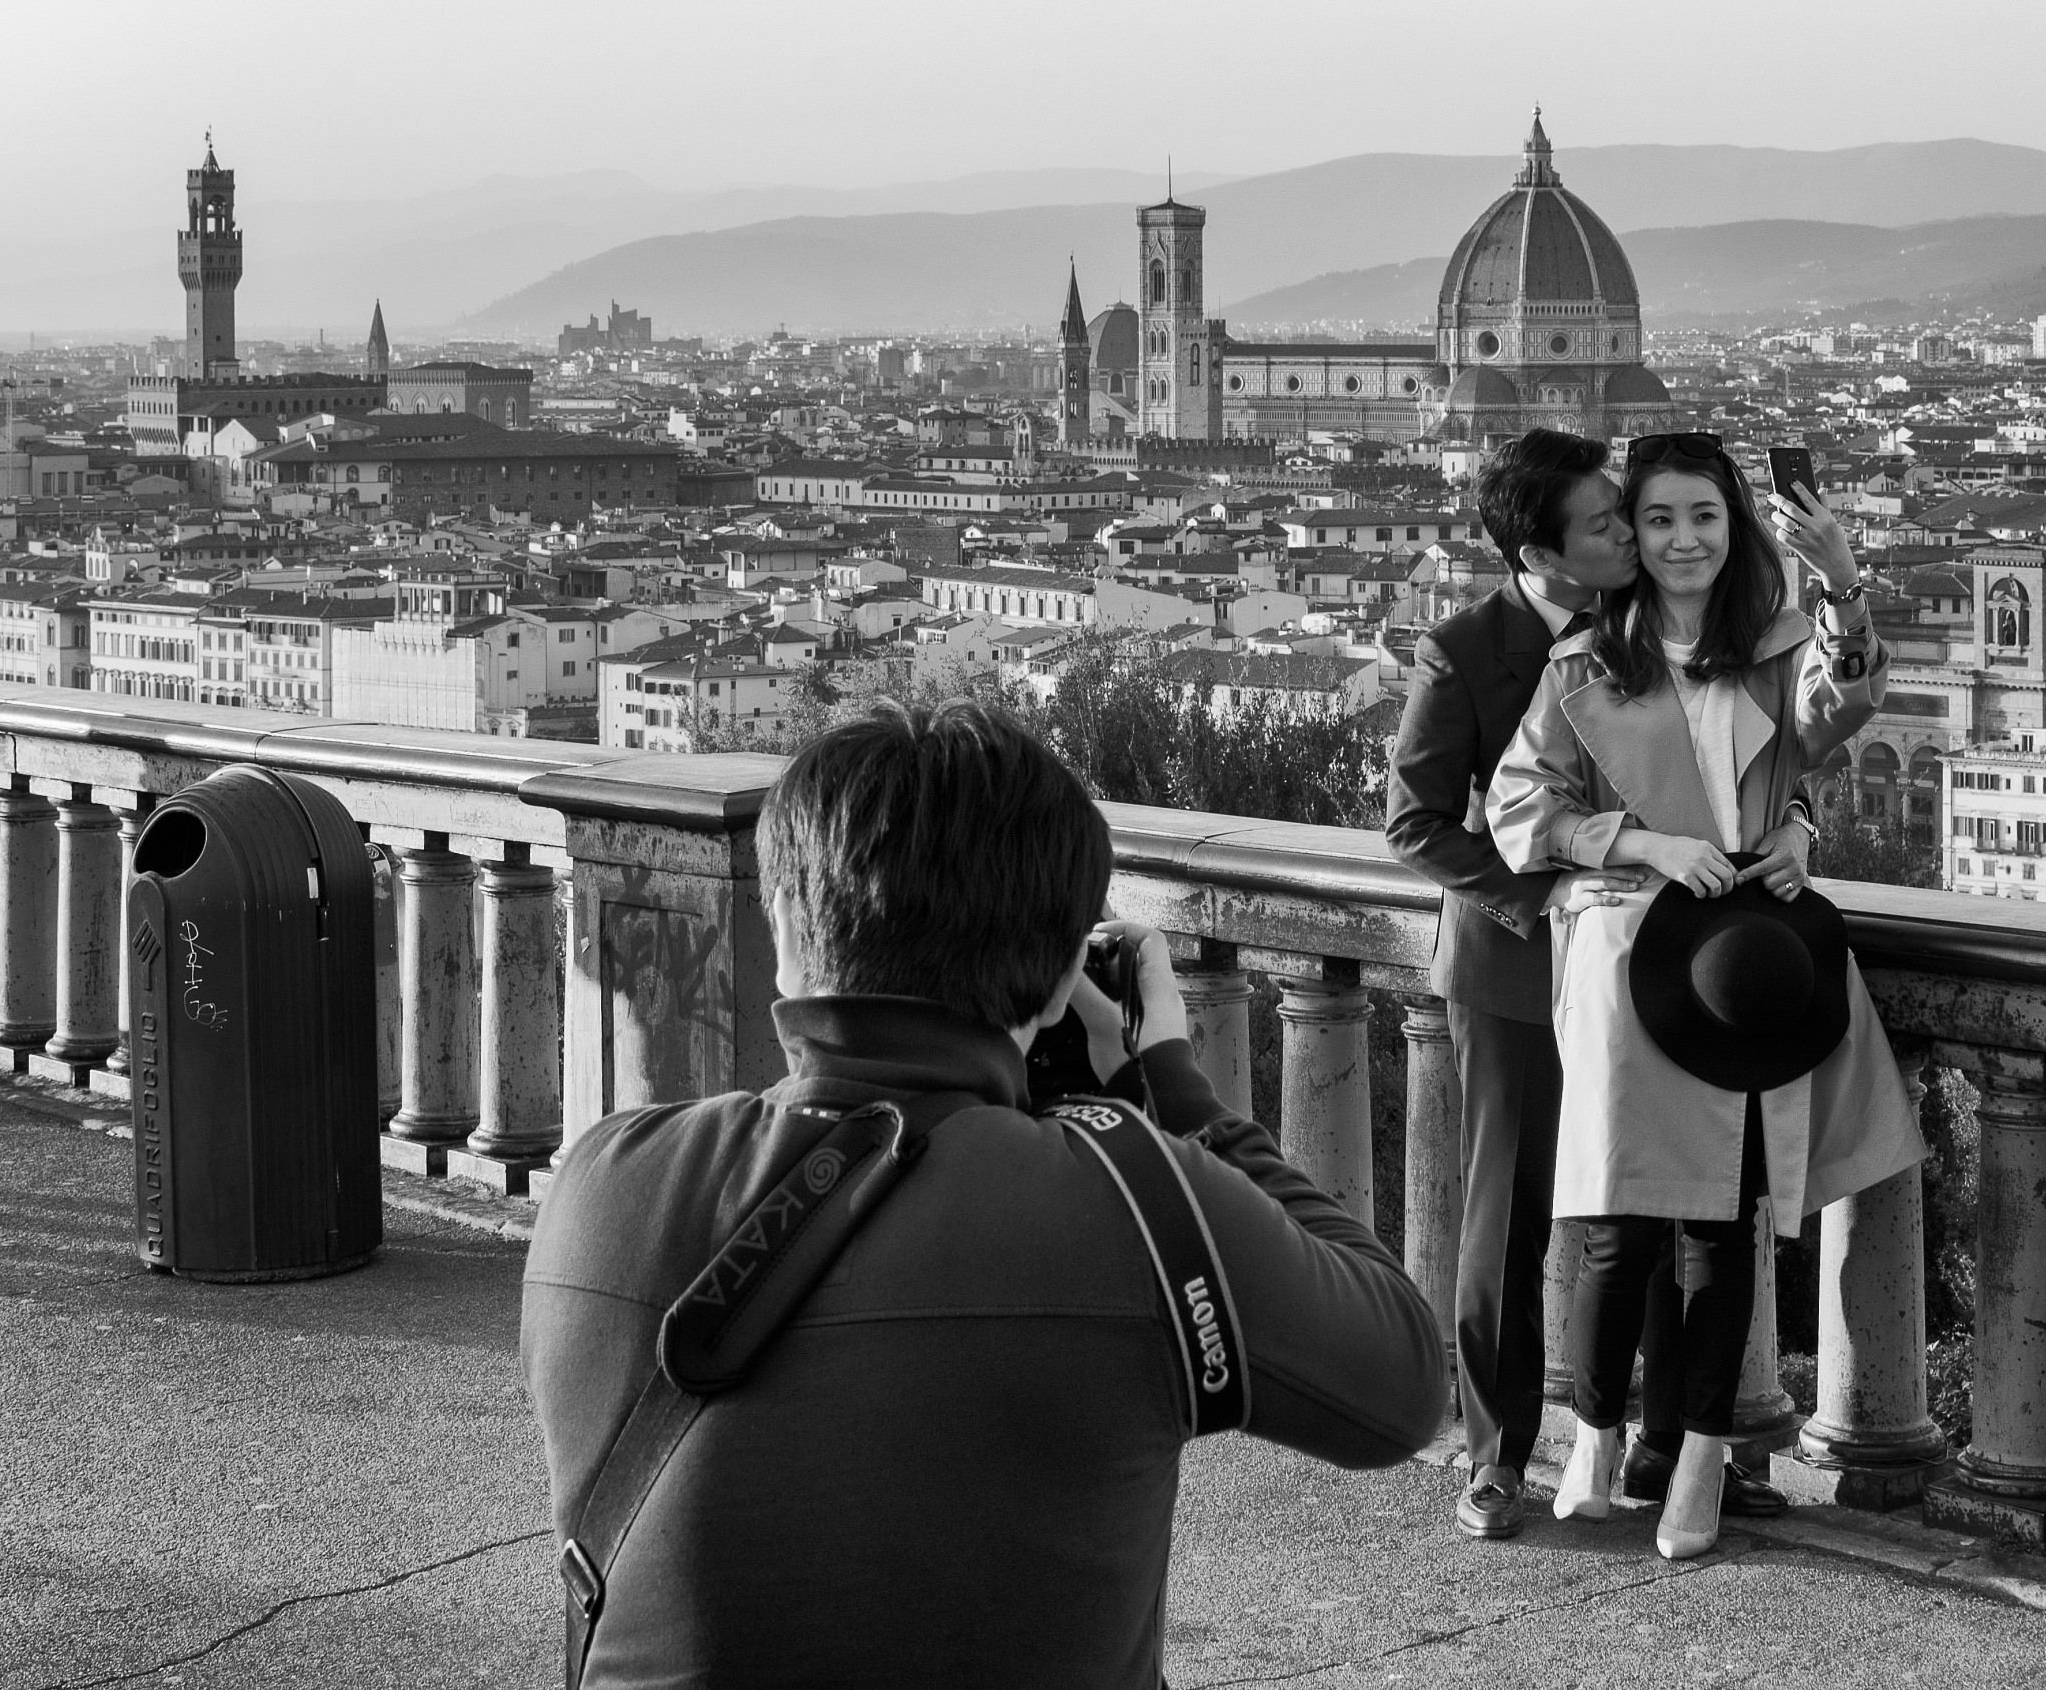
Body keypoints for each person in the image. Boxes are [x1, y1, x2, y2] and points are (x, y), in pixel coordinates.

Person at [522, 700, 1447, 1688]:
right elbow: (1399, 1388)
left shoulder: (603, 1184)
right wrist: (1173, 1088)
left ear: (787, 931)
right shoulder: (1135, 1209)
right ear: (1058, 984)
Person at [1484, 433, 1928, 1561]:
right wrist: (1639, 841)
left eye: (1706, 519)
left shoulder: (1776, 650)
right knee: (1619, 1230)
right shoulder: (1586, 664)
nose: (1683, 541)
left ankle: (1694, 1464)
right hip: (1634, 965)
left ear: (1736, 533)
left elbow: (1849, 699)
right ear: (1631, 532)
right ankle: (1595, 1435)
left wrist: (1841, 581)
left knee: (1728, 1236)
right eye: (1661, 519)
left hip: (1738, 976)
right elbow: (1518, 810)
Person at [1386, 429, 1786, 1541]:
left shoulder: (1667, 629)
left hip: (1663, 968)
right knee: (1511, 1216)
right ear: (1542, 549)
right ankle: (1498, 1457)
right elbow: (1413, 821)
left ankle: (1669, 1443)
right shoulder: (1467, 647)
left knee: (1665, 1193)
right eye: (1610, 522)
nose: (1632, 533)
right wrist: (1541, 899)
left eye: (1634, 514)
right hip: (1519, 971)